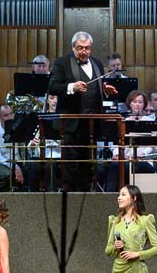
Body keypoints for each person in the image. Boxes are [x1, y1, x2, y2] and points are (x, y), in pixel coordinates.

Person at [47, 31, 117, 191]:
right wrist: (72, 87)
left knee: (89, 166)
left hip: (92, 126)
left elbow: (96, 89)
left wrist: (105, 90)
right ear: (73, 47)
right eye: (80, 48)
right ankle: (71, 197)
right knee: (71, 167)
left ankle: (88, 197)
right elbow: (52, 87)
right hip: (71, 125)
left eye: (87, 48)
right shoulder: (62, 63)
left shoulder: (97, 64)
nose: (84, 51)